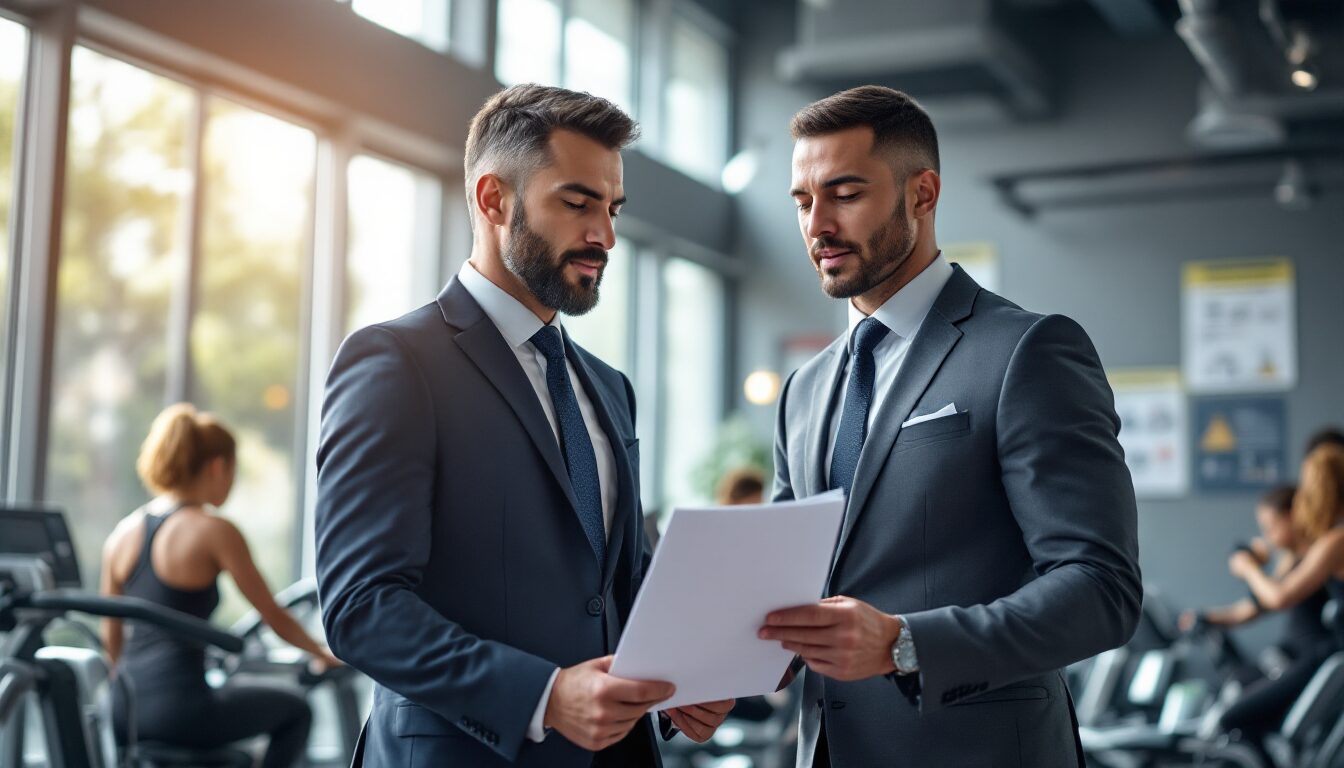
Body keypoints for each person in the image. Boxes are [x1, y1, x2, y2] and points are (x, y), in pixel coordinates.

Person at [314, 84, 731, 767]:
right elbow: (363, 607)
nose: (604, 234)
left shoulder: (607, 388)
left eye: (611, 208)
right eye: (576, 203)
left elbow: (615, 587)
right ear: (493, 199)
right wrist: (543, 695)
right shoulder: (395, 362)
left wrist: (683, 677)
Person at [757, 85, 1142, 767]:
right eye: (801, 201)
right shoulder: (805, 388)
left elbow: (1100, 586)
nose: (817, 224)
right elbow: (788, 584)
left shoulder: (1027, 350)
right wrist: (719, 674)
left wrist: (904, 643)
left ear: (922, 194)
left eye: (844, 194)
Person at [102, 403, 338, 768]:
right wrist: (321, 654)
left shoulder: (122, 534)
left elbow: (111, 641)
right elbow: (273, 614)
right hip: (182, 709)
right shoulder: (214, 530)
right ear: (217, 466)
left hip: (123, 711)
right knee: (296, 711)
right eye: (232, 471)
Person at [1180, 485, 1335, 763]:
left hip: (1312, 662)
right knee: (1236, 685)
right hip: (1292, 659)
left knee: (1234, 718)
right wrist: (1205, 617)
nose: (1268, 537)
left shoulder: (1318, 557)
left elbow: (1277, 597)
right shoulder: (1292, 561)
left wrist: (1249, 567)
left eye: (1272, 526)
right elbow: (1251, 609)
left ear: (1294, 516)